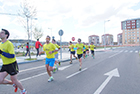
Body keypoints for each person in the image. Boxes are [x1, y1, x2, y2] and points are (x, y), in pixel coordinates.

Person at [0, 29, 27, 94]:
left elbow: (12, 55)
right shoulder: (0, 44)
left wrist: (2, 52)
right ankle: (13, 84)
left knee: (14, 79)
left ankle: (23, 90)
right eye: (0, 32)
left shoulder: (9, 44)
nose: (0, 33)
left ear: (6, 35)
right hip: (5, 64)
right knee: (0, 80)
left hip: (12, 64)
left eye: (2, 33)